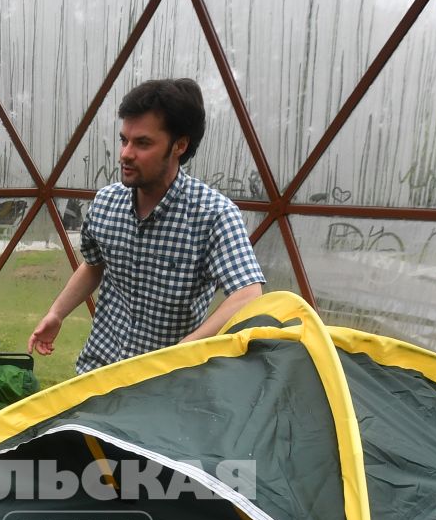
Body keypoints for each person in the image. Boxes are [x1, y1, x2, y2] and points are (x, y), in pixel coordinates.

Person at [28, 79, 265, 371]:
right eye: (123, 140)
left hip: (164, 384)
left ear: (179, 145)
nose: (126, 153)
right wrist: (57, 313)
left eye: (142, 143)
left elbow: (248, 295)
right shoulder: (105, 202)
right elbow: (93, 265)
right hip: (98, 371)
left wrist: (182, 353)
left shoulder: (213, 215)